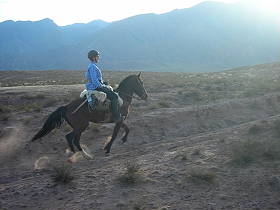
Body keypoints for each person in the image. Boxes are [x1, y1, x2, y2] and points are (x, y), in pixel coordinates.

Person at [85, 50, 122, 122]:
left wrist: (104, 84)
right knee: (114, 96)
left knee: (110, 90)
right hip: (95, 87)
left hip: (96, 85)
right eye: (97, 56)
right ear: (94, 57)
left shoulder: (93, 65)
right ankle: (116, 117)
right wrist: (103, 86)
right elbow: (95, 81)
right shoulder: (92, 67)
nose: (99, 58)